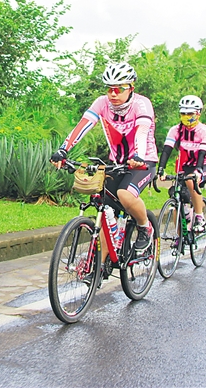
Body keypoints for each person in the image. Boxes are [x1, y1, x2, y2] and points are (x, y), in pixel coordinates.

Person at [50, 62, 158, 281]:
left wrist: (138, 156)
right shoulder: (102, 103)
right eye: (109, 89)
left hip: (143, 161)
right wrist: (63, 150)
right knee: (105, 209)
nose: (113, 94)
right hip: (116, 162)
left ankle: (145, 227)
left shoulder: (141, 104)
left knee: (125, 194)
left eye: (119, 88)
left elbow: (142, 131)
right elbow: (83, 125)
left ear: (131, 88)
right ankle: (100, 267)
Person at [156, 95, 206, 232]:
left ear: (198, 114)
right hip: (186, 166)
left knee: (190, 180)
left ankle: (199, 217)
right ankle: (180, 236)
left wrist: (198, 170)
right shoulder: (175, 130)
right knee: (177, 198)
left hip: (204, 164)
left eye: (190, 114)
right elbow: (166, 150)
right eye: (183, 113)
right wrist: (161, 169)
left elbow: (203, 152)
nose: (186, 116)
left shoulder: (204, 130)